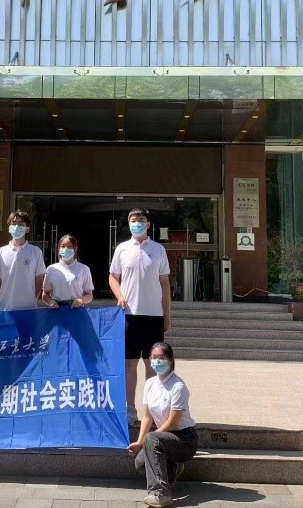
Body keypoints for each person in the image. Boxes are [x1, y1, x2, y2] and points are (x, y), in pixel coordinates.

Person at [109, 209, 171, 426]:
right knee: (129, 365)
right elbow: (113, 277)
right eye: (133, 221)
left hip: (153, 315)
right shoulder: (122, 249)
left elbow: (165, 283)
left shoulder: (158, 250)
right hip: (129, 315)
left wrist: (167, 315)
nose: (137, 224)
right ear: (128, 224)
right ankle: (130, 408)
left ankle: (152, 409)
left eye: (141, 220)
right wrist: (119, 295)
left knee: (153, 365)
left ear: (148, 224)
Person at [128, 342, 197, 508]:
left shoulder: (178, 386)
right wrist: (140, 441)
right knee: (140, 462)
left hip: (184, 438)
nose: (157, 361)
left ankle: (160, 494)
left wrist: (150, 439)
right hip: (164, 437)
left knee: (152, 440)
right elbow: (147, 416)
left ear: (170, 360)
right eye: (153, 357)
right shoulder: (150, 383)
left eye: (161, 357)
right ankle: (172, 467)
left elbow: (172, 423)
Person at [0, 210, 47, 311]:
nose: (16, 227)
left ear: (27, 229)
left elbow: (39, 280)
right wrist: (5, 298)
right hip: (5, 309)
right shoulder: (0, 252)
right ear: (9, 228)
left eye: (20, 224)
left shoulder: (36, 252)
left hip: (28, 308)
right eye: (13, 223)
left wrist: (33, 300)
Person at [42, 234, 94, 308]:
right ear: (59, 249)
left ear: (75, 248)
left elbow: (89, 295)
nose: (66, 249)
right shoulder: (51, 269)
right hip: (57, 310)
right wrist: (50, 302)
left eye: (70, 246)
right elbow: (45, 294)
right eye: (63, 246)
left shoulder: (84, 269)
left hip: (76, 310)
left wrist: (81, 300)